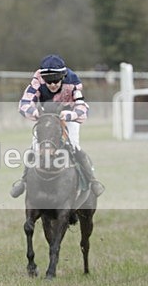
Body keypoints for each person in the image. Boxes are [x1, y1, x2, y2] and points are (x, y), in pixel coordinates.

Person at [10, 54, 105, 198]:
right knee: (35, 146)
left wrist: (69, 115)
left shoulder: (73, 81)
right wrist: (34, 112)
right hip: (47, 116)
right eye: (48, 81)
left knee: (73, 145)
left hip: (69, 116)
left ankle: (92, 180)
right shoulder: (37, 80)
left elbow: (82, 107)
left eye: (56, 81)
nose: (52, 84)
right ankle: (23, 180)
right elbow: (24, 103)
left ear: (63, 76)